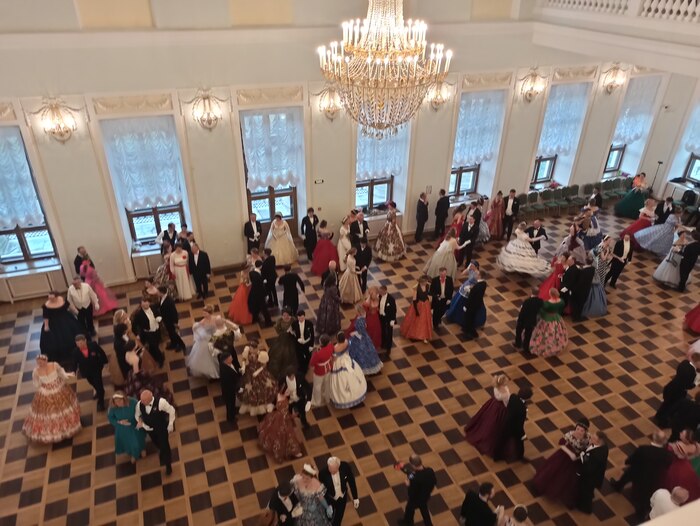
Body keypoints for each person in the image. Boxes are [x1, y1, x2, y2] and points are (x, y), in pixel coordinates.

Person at [610, 430, 673, 520]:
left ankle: (618, 486)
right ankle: (640, 513)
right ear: (664, 441)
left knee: (627, 477)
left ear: (654, 438)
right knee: (645, 495)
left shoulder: (643, 449)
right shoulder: (666, 454)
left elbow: (633, 459)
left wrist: (627, 461)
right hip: (651, 477)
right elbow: (666, 466)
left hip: (637, 471)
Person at [532, 419, 591, 508]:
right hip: (564, 456)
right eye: (577, 429)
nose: (579, 431)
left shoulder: (588, 439)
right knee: (554, 471)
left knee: (570, 479)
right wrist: (570, 454)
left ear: (585, 431)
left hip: (576, 461)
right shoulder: (570, 434)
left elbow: (587, 450)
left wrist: (578, 457)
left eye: (581, 430)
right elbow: (561, 444)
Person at [22, 355, 81, 443]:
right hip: (45, 392)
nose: (40, 364)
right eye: (38, 363)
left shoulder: (54, 365)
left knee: (64, 408)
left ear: (46, 360)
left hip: (59, 388)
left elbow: (61, 373)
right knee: (47, 413)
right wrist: (42, 386)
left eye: (41, 362)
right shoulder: (36, 371)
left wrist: (68, 375)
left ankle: (67, 427)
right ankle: (54, 432)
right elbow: (36, 384)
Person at [464, 374, 510, 456]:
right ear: (502, 383)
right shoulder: (505, 393)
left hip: (493, 405)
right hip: (501, 409)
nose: (507, 383)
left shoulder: (496, 387)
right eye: (506, 382)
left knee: (487, 420)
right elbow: (506, 403)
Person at [258, 387, 305, 462]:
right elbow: (283, 413)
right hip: (281, 418)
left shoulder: (283, 396)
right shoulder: (278, 396)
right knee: (285, 435)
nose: (288, 391)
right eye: (286, 390)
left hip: (283, 417)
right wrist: (293, 416)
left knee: (288, 435)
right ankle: (292, 451)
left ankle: (294, 451)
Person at [135, 389, 176, 475]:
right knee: (157, 443)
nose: (142, 402)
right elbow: (137, 415)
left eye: (144, 400)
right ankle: (162, 450)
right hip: (150, 430)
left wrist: (171, 424)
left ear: (151, 397)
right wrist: (142, 423)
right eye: (142, 400)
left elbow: (172, 410)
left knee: (165, 446)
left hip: (161, 429)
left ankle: (168, 465)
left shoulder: (161, 402)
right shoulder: (139, 404)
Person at [40, 291, 84, 365]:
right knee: (55, 340)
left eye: (52, 298)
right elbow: (46, 317)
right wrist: (46, 326)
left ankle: (76, 350)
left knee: (71, 334)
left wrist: (76, 311)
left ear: (56, 297)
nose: (50, 299)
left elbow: (69, 306)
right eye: (49, 298)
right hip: (53, 324)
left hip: (66, 319)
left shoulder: (62, 300)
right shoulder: (46, 306)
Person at [493, 386, 532, 462]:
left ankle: (496, 456)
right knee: (519, 443)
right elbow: (519, 424)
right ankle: (520, 457)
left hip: (506, 422)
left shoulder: (513, 396)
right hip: (513, 427)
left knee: (502, 440)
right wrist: (522, 434)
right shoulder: (522, 409)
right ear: (528, 398)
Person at [329, 332, 368, 409]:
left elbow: (334, 358)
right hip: (347, 359)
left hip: (339, 363)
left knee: (340, 380)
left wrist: (331, 365)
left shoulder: (335, 347)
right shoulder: (346, 341)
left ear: (337, 339)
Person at [575, 430, 609, 514]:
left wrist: (583, 457)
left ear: (599, 441)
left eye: (593, 438)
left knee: (585, 492)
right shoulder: (604, 447)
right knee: (588, 491)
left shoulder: (597, 455)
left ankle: (585, 508)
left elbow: (589, 467)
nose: (591, 438)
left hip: (590, 478)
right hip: (594, 475)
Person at [239, 342, 277, 416]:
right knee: (249, 388)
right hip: (250, 371)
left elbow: (264, 365)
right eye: (250, 348)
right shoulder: (247, 351)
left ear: (256, 348)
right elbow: (244, 359)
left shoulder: (261, 354)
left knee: (262, 387)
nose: (250, 350)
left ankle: (264, 405)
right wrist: (243, 366)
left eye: (251, 348)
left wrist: (257, 372)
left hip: (259, 372)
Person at [107, 392, 146, 464]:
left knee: (139, 439)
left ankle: (142, 449)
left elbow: (141, 411)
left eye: (120, 401)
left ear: (124, 398)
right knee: (129, 442)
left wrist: (140, 420)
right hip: (123, 428)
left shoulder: (133, 402)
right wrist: (119, 422)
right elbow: (110, 418)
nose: (118, 403)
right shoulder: (112, 407)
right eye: (116, 402)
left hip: (135, 424)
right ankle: (134, 454)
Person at [398, 454, 437, 526]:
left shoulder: (414, 479)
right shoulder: (430, 470)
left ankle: (408, 522)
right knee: (424, 509)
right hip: (425, 496)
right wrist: (403, 468)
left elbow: (411, 493)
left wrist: (408, 485)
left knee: (409, 508)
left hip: (416, 498)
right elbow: (434, 482)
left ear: (412, 465)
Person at [662, 429, 700, 501]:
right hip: (687, 465)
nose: (680, 433)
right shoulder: (695, 446)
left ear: (686, 439)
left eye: (682, 433)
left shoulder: (678, 446)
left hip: (677, 465)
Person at [320, 457, 359, 526]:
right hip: (330, 498)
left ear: (339, 466)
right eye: (330, 469)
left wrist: (355, 497)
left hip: (342, 498)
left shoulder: (345, 467)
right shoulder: (322, 473)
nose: (332, 472)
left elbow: (351, 481)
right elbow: (323, 489)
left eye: (334, 470)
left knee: (339, 517)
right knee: (328, 517)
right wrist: (327, 505)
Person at [73, 334, 108, 410]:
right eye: (77, 344)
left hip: (96, 369)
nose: (80, 345)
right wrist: (73, 371)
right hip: (86, 372)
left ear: (85, 340)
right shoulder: (75, 351)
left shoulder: (93, 345)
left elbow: (101, 352)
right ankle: (99, 391)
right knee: (92, 382)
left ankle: (101, 403)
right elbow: (74, 362)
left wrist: (105, 362)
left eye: (81, 343)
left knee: (99, 384)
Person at [346, 304, 383, 375]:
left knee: (362, 353)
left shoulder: (360, 320)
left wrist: (354, 333)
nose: (355, 312)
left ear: (358, 311)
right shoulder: (362, 316)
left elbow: (361, 332)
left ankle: (363, 368)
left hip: (360, 338)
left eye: (356, 310)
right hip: (363, 337)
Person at [529, 289, 567, 357]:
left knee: (543, 331)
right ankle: (555, 341)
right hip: (556, 317)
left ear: (551, 294)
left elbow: (541, 310)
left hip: (546, 318)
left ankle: (545, 343)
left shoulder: (547, 303)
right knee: (556, 331)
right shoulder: (561, 301)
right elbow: (561, 309)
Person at [186, 306, 220, 379]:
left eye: (205, 313)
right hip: (207, 339)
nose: (203, 314)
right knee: (207, 356)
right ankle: (211, 372)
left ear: (210, 313)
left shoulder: (216, 318)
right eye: (203, 313)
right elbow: (195, 328)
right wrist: (199, 335)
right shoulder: (203, 321)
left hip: (215, 337)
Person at [131, 297, 164, 367]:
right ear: (141, 304)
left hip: (157, 330)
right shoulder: (138, 314)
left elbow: (158, 313)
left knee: (155, 345)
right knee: (155, 346)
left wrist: (159, 317)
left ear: (149, 303)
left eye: (147, 303)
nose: (146, 305)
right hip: (148, 333)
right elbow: (134, 325)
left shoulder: (153, 307)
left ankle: (153, 356)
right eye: (144, 304)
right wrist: (137, 334)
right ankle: (161, 359)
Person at [400, 276, 433, 343]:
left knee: (425, 321)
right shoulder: (416, 288)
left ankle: (424, 336)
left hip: (426, 304)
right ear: (421, 282)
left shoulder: (427, 286)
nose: (426, 282)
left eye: (426, 281)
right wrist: (416, 310)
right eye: (425, 281)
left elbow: (427, 294)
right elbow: (414, 300)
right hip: (418, 305)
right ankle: (416, 334)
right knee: (416, 320)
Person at [268, 309, 299, 380]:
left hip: (290, 339)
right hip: (282, 338)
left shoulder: (293, 320)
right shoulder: (280, 321)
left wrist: (293, 332)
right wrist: (283, 333)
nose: (286, 317)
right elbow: (277, 329)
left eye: (287, 315)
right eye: (284, 315)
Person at [514, 289, 543, 354]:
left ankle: (518, 343)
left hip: (523, 319)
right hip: (532, 320)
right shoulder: (540, 301)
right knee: (528, 334)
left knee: (518, 331)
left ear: (531, 292)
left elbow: (522, 311)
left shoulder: (527, 301)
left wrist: (519, 319)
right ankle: (526, 347)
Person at [157, 286, 186, 352]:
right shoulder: (162, 297)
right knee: (170, 333)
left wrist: (175, 322)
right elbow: (160, 305)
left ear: (161, 292)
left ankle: (182, 345)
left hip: (170, 321)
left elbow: (174, 312)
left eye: (158, 292)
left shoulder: (169, 301)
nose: (157, 293)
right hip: (166, 320)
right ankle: (174, 343)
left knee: (174, 333)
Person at [581, 252, 608, 319]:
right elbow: (598, 279)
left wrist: (590, 282)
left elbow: (596, 279)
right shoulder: (594, 269)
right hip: (595, 286)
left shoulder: (586, 270)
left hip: (591, 287)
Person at [310, 335, 334, 407]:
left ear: (321, 343)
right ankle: (327, 398)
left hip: (319, 371)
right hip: (328, 368)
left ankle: (317, 401)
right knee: (327, 384)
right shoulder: (331, 346)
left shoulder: (317, 353)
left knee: (317, 386)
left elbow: (312, 364)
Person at [462, 275, 488, 340]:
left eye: (477, 274)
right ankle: (467, 330)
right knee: (471, 318)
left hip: (471, 306)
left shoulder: (477, 286)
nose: (475, 275)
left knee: (468, 319)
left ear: (479, 276)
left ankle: (470, 333)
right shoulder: (483, 284)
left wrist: (466, 306)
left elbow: (471, 297)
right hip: (476, 305)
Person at [219, 352, 241, 423]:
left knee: (231, 403)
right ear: (226, 360)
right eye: (230, 358)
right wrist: (238, 388)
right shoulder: (226, 371)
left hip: (229, 389)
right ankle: (231, 419)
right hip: (229, 391)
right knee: (230, 404)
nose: (232, 358)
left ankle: (232, 414)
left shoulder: (225, 365)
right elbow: (230, 383)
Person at [571, 257, 595, 322]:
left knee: (576, 304)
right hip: (586, 290)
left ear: (585, 261)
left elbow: (579, 282)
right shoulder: (592, 269)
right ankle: (578, 316)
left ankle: (575, 317)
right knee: (581, 304)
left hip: (579, 290)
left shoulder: (582, 271)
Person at [249, 260, 272, 326]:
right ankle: (268, 322)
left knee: (257, 307)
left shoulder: (251, 273)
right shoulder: (258, 276)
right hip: (260, 294)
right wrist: (266, 294)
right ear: (260, 266)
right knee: (264, 309)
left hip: (254, 293)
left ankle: (254, 319)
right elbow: (261, 287)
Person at [291, 310, 314, 376]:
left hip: (307, 343)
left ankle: (306, 367)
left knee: (308, 356)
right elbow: (292, 333)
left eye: (302, 318)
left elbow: (312, 335)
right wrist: (296, 339)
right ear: (297, 317)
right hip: (298, 343)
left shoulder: (309, 323)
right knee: (299, 356)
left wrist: (311, 346)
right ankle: (301, 367)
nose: (301, 319)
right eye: (299, 318)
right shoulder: (294, 323)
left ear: (304, 316)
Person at [378, 285, 396, 354]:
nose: (379, 293)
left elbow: (394, 310)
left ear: (385, 291)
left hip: (389, 318)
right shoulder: (379, 296)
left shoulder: (391, 299)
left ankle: (389, 347)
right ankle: (383, 344)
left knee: (389, 332)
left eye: (381, 291)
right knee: (382, 330)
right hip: (381, 317)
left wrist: (393, 320)